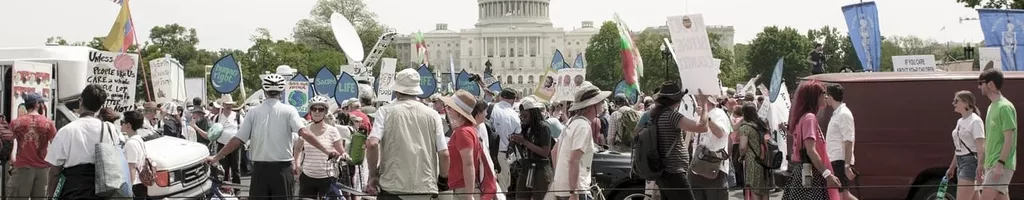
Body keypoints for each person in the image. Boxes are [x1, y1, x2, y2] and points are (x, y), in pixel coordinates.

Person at [205, 73, 340, 200]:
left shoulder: (253, 112)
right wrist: (327, 151)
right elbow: (304, 133)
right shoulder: (289, 110)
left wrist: (216, 157)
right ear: (281, 92)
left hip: (259, 171)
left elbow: (238, 139)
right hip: (282, 170)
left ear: (264, 90)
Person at [365, 68, 449, 200]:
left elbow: (372, 144)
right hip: (424, 186)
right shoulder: (433, 115)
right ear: (416, 91)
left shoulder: (385, 111)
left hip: (392, 186)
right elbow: (444, 153)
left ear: (397, 90)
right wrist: (443, 180)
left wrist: (373, 174)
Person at [46, 84, 122, 199]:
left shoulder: (66, 130)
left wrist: (50, 196)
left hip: (73, 189)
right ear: (101, 106)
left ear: (80, 101)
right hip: (103, 189)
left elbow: (54, 171)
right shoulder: (110, 129)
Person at [637, 81, 709, 200]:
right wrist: (704, 104)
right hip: (674, 171)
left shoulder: (654, 115)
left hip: (662, 170)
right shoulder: (672, 116)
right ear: (676, 100)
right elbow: (702, 127)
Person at [781, 80, 841, 200]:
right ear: (814, 97)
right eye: (823, 93)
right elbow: (811, 150)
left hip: (805, 172)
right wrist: (827, 175)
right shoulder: (810, 118)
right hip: (810, 173)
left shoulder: (805, 117)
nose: (826, 96)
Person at [550, 82, 609, 200]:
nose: (603, 104)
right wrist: (574, 192)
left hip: (563, 187)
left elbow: (554, 152)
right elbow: (574, 160)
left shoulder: (571, 121)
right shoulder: (583, 126)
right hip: (577, 189)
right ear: (591, 105)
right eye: (600, 101)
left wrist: (561, 179)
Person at [441, 90, 498, 200]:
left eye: (450, 107)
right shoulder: (468, 129)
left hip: (463, 187)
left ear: (459, 111)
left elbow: (469, 164)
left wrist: (469, 195)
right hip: (463, 186)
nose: (447, 109)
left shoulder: (463, 132)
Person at [293, 95, 348, 200]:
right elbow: (298, 149)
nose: (317, 112)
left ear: (325, 112)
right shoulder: (305, 131)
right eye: (314, 109)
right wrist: (296, 164)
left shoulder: (332, 131)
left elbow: (341, 151)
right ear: (310, 111)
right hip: (307, 176)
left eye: (321, 109)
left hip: (328, 176)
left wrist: (344, 155)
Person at [5, 92, 57, 199]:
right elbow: (55, 145)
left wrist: (13, 157)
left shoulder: (16, 122)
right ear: (37, 104)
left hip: (22, 167)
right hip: (42, 169)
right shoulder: (48, 123)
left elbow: (10, 141)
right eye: (41, 102)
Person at [977, 69, 1017, 200]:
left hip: (1000, 165)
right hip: (992, 164)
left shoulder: (1004, 107)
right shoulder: (991, 107)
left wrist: (1000, 164)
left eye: (980, 83)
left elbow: (1009, 139)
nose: (979, 86)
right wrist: (981, 164)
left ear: (990, 84)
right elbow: (989, 139)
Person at [688, 95, 732, 200]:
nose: (696, 101)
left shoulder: (719, 114)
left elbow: (720, 133)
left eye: (699, 99)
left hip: (714, 168)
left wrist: (706, 117)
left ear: (708, 100)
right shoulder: (698, 114)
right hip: (697, 167)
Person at [511, 96, 553, 200]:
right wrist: (517, 142)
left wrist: (524, 142)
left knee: (540, 197)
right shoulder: (526, 128)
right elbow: (525, 149)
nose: (523, 119)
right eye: (521, 117)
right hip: (526, 166)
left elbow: (545, 152)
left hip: (540, 169)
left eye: (525, 116)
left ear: (533, 114)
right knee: (521, 197)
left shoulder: (544, 127)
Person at [946, 90, 985, 200]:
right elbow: (959, 148)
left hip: (971, 163)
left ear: (966, 103)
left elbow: (981, 146)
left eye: (956, 101)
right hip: (961, 161)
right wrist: (952, 167)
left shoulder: (975, 121)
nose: (953, 103)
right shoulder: (960, 121)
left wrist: (980, 166)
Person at [824, 83, 859, 200]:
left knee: (840, 195)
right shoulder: (837, 114)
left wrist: (847, 165)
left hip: (840, 160)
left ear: (830, 96)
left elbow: (849, 140)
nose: (825, 98)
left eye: (826, 95)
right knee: (844, 195)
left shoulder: (843, 114)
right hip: (836, 160)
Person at [737, 102, 772, 200]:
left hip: (752, 161)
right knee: (764, 189)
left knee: (754, 188)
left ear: (744, 114)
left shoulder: (745, 128)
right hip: (765, 161)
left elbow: (743, 147)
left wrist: (741, 156)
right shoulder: (762, 125)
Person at [491, 88, 522, 189]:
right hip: (502, 155)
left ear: (501, 97)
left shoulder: (489, 108)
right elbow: (517, 135)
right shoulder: (515, 116)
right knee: (502, 188)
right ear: (512, 100)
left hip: (485, 153)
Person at [121, 110, 154, 200]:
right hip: (141, 182)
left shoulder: (131, 143)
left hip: (135, 184)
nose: (121, 125)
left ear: (128, 125)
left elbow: (131, 167)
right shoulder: (138, 139)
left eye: (122, 122)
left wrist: (129, 189)